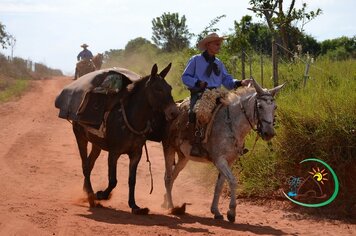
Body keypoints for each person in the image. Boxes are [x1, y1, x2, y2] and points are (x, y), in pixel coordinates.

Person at [181, 33, 251, 157]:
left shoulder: (219, 63)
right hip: (200, 94)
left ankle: (236, 145)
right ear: (208, 45)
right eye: (217, 44)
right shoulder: (195, 60)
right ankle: (195, 144)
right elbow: (185, 77)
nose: (219, 46)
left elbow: (228, 81)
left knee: (234, 111)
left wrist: (240, 82)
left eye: (220, 44)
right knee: (194, 113)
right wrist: (197, 82)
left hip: (218, 94)